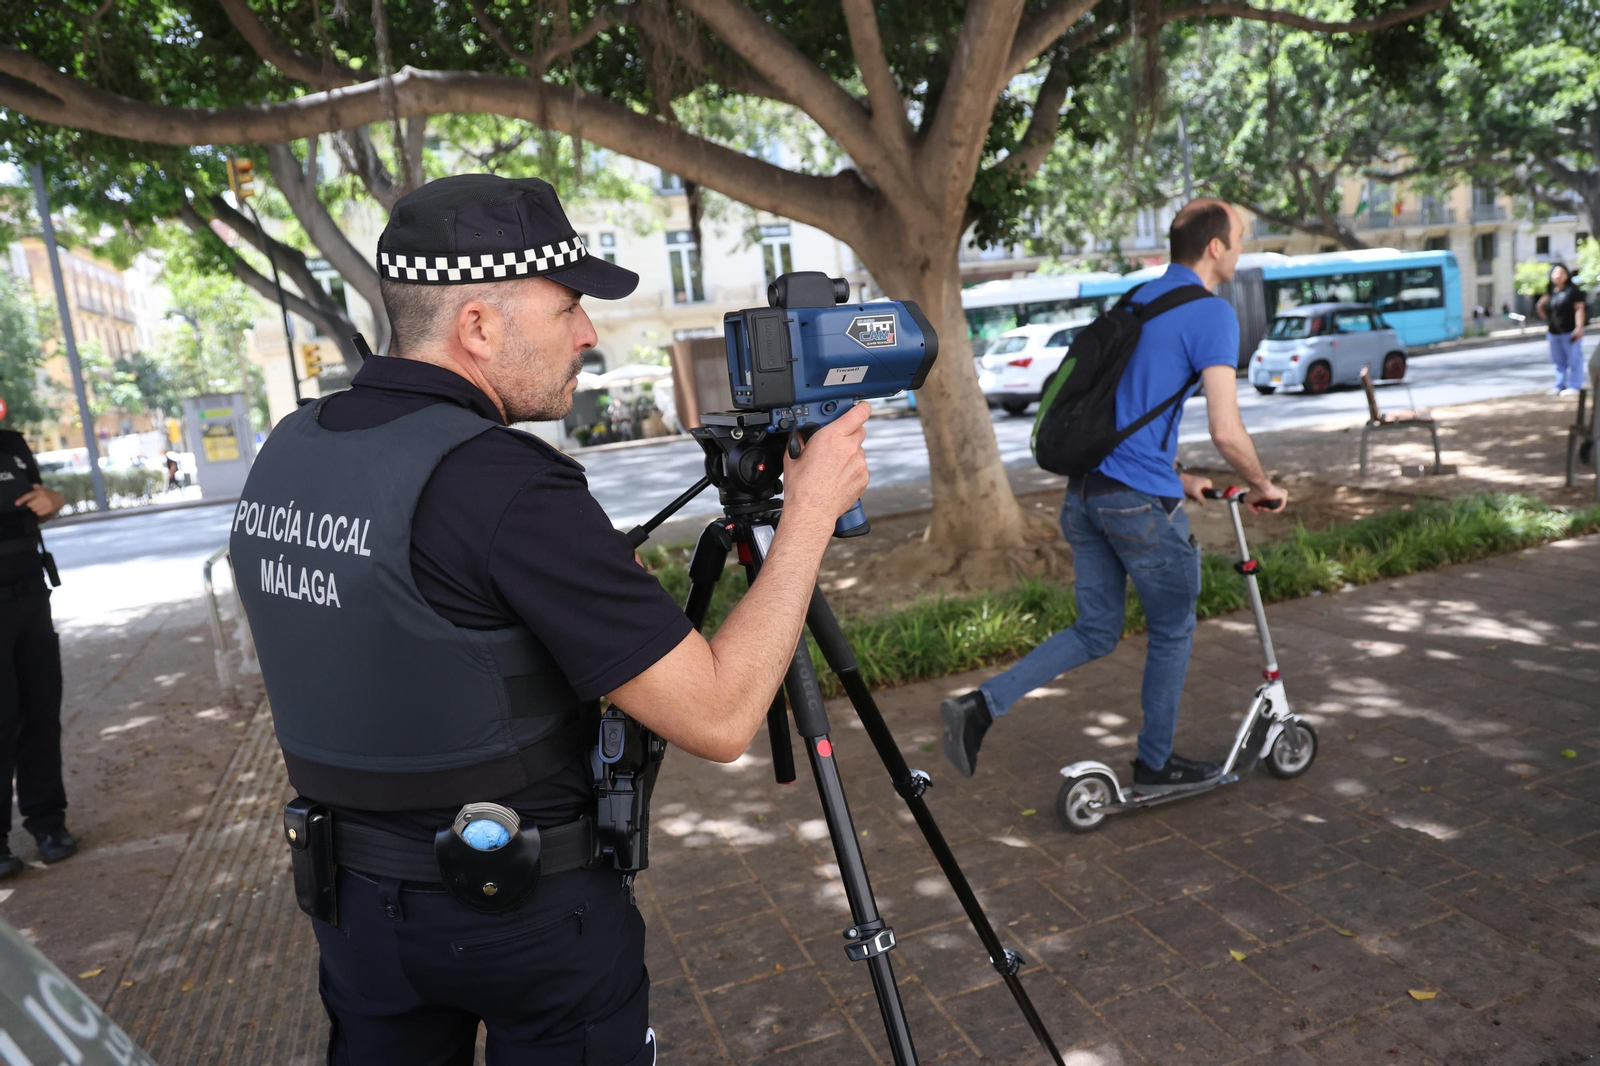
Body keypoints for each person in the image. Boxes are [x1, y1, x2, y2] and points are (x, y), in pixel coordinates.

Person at [229, 175, 870, 1065]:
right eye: (566, 306)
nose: (587, 333)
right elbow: (722, 716)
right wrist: (809, 516)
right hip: (522, 921)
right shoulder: (504, 485)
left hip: (356, 915)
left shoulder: (292, 451)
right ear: (478, 327)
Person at [940, 199, 1288, 787]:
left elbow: (1124, 411)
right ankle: (1155, 763)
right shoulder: (1211, 313)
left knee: (1096, 629)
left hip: (1087, 496)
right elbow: (1227, 431)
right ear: (1215, 247)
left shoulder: (1137, 299)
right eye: (1242, 236)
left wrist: (1180, 477)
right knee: (1172, 628)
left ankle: (980, 706)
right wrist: (1263, 485)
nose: (1243, 246)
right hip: (1137, 506)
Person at [0, 429, 72, 879]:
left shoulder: (11, 444)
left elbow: (37, 503)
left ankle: (49, 825)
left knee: (42, 714)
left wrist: (54, 501)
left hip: (31, 597)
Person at [1536, 263, 1587, 395]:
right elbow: (1543, 310)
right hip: (1554, 332)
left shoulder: (1573, 291)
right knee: (1558, 361)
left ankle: (1575, 385)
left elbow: (1579, 309)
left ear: (1566, 275)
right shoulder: (1550, 292)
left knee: (1575, 360)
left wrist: (1579, 327)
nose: (1557, 276)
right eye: (1555, 273)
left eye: (1560, 273)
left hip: (1570, 331)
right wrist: (1541, 307)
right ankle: (1560, 385)